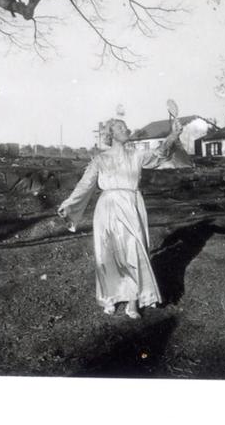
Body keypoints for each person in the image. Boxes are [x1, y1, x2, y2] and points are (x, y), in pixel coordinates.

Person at [57, 117, 183, 319]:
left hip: (131, 206)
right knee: (107, 251)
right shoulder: (100, 159)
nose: (127, 129)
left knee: (134, 249)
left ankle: (133, 302)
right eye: (121, 128)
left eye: (126, 127)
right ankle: (111, 297)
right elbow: (85, 184)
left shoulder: (136, 155)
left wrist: (173, 135)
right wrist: (69, 204)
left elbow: (159, 154)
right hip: (107, 207)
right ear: (111, 134)